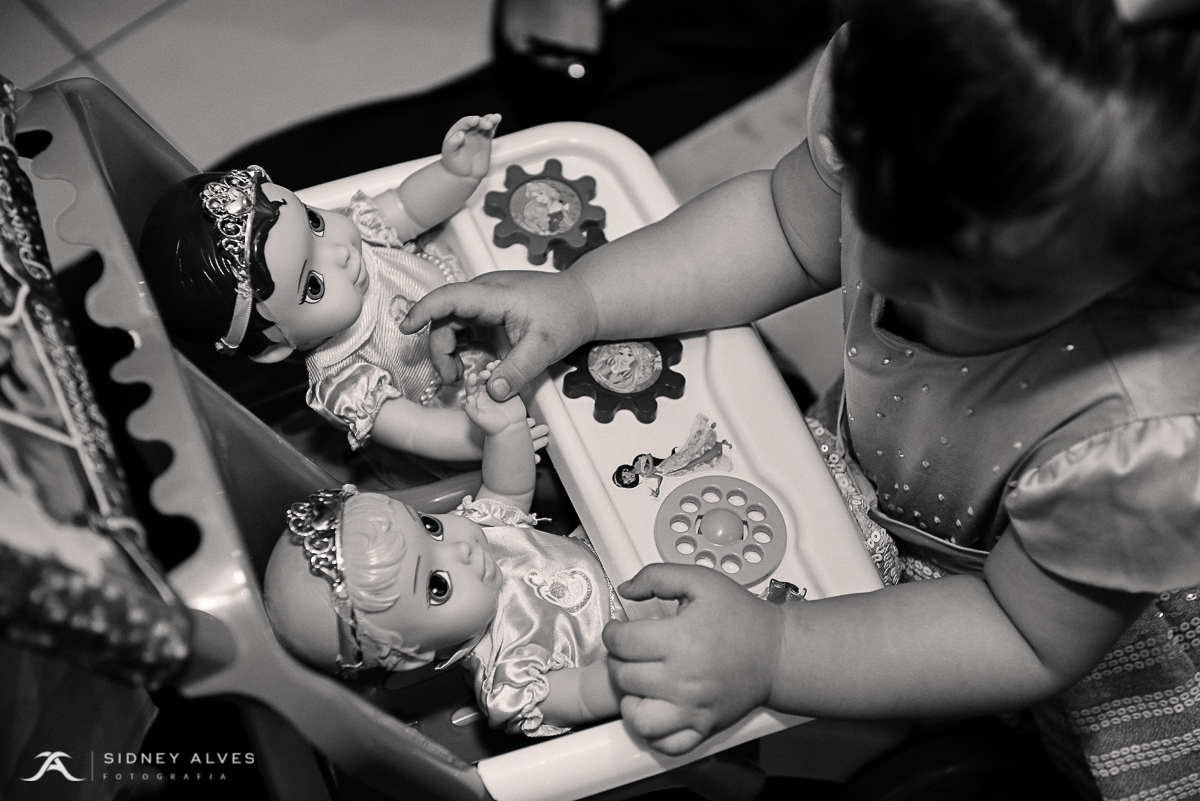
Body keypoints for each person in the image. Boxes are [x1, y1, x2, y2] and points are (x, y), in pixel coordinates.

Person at [398, 1, 1200, 797]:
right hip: (879, 502)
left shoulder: (1135, 440)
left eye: (977, 286)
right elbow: (781, 226)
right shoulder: (907, 115)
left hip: (1036, 613)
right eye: (874, 213)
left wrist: (775, 650)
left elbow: (1022, 635)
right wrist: (584, 299)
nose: (880, 269)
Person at [139, 114, 549, 462]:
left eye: (313, 223)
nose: (339, 252)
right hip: (470, 409)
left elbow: (408, 207)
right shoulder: (345, 380)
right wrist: (495, 439)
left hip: (488, 297)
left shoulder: (360, 235)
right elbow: (417, 430)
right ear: (279, 344)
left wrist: (457, 173)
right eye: (313, 286)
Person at [263, 364, 624, 736]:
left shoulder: (486, 537)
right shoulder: (510, 673)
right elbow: (582, 695)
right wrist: (629, 675)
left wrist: (505, 430)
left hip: (619, 547)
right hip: (656, 629)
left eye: (430, 526)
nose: (459, 549)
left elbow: (507, 492)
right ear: (410, 655)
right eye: (438, 586)